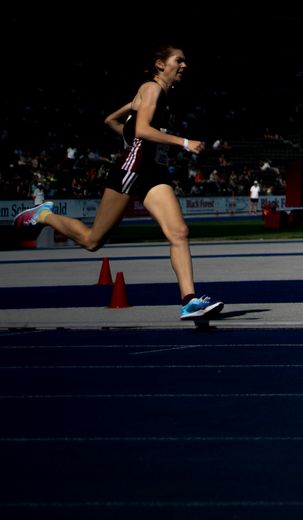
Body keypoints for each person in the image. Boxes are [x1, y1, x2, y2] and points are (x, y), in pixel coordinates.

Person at [15, 45, 223, 322]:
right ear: (161, 64)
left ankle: (189, 301)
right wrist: (183, 142)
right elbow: (142, 130)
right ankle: (44, 215)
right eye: (179, 60)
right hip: (132, 169)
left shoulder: (160, 95)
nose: (184, 65)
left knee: (179, 232)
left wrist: (131, 132)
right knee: (92, 241)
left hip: (153, 173)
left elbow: (111, 120)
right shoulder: (151, 88)